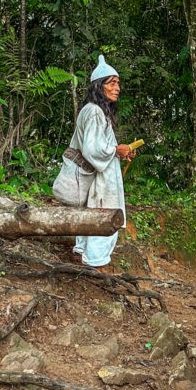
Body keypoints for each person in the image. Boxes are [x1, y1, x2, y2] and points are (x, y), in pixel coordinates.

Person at [71, 55, 136, 271]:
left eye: (118, 82)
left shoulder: (97, 112)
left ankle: (90, 270)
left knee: (94, 221)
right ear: (99, 87)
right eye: (112, 83)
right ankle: (94, 273)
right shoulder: (94, 112)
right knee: (101, 222)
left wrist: (119, 152)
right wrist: (117, 149)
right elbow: (91, 149)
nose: (118, 87)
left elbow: (98, 146)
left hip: (99, 180)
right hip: (99, 184)